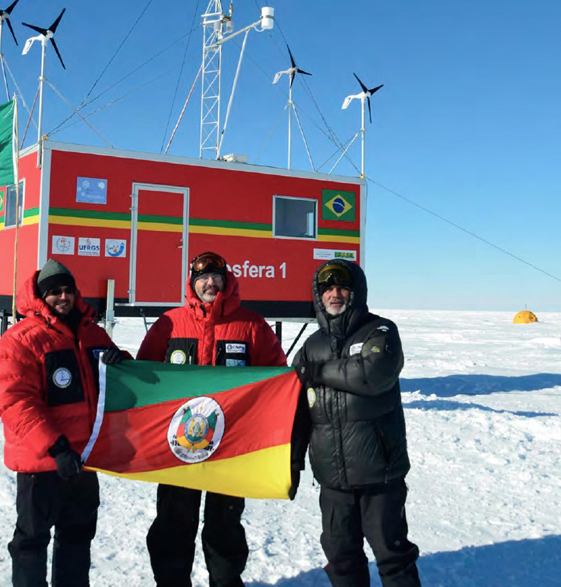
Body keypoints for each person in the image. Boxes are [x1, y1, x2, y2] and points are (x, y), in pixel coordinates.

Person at [136, 251, 288, 587]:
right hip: (179, 446)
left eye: (216, 277)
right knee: (174, 522)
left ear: (226, 281)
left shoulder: (251, 325)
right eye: (203, 278)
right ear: (192, 283)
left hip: (231, 446)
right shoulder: (169, 323)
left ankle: (226, 581)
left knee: (225, 524)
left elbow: (276, 379)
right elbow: (144, 374)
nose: (210, 283)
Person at [0, 258, 130, 587]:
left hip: (83, 460)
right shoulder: (20, 340)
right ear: (40, 297)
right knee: (31, 542)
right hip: (43, 462)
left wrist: (122, 361)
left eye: (68, 291)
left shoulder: (92, 334)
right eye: (54, 292)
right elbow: (15, 402)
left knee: (77, 538)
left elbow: (115, 384)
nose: (63, 297)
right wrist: (56, 447)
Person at [293, 259, 422, 587]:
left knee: (393, 558)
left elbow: (372, 374)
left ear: (356, 292)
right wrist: (292, 463)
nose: (335, 294)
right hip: (332, 480)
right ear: (318, 296)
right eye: (327, 289)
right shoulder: (311, 346)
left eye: (342, 287)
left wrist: (319, 372)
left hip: (379, 475)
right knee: (341, 559)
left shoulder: (381, 330)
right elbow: (295, 410)